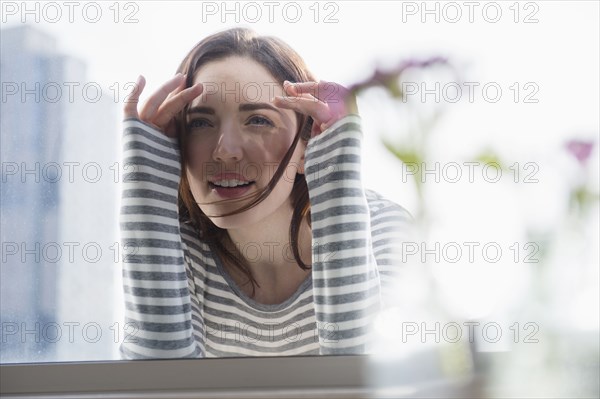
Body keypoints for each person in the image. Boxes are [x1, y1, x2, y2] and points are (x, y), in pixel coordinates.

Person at [120, 27, 412, 359]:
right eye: (200, 123)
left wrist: (335, 175)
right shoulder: (183, 247)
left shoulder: (385, 229)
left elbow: (364, 377)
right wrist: (147, 187)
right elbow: (154, 386)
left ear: (307, 148)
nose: (225, 151)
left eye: (258, 120)